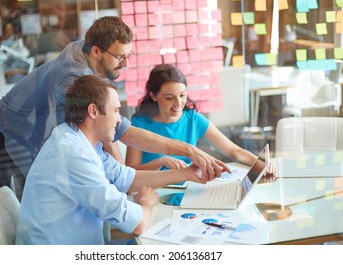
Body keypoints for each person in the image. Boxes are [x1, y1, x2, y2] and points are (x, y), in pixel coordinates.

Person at [0, 16, 227, 202]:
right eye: (120, 57)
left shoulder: (89, 51)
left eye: (128, 55)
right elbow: (120, 130)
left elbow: (110, 128)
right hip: (4, 132)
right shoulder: (72, 77)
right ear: (97, 51)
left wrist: (122, 178)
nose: (126, 64)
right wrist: (188, 149)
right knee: (8, 209)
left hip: (30, 130)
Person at [15, 75, 204, 245]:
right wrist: (145, 204)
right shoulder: (73, 155)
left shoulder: (78, 139)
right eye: (115, 111)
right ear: (93, 111)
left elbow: (127, 179)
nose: (120, 120)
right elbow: (138, 225)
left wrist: (185, 173)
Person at [126, 64, 259, 171]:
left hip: (188, 189)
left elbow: (233, 151)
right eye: (169, 98)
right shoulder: (140, 124)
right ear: (154, 96)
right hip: (155, 192)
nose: (178, 104)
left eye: (182, 95)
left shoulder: (193, 119)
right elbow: (130, 173)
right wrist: (160, 162)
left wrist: (261, 165)